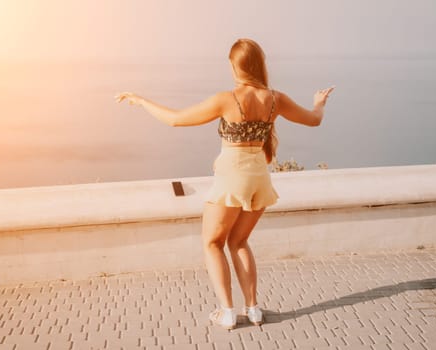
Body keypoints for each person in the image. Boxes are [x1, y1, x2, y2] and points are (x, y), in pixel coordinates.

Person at [115, 38, 334, 330]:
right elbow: (314, 120)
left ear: (235, 66)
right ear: (259, 65)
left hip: (233, 177)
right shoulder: (275, 99)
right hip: (259, 177)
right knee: (239, 241)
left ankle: (227, 312)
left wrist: (141, 101)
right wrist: (318, 103)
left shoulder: (227, 99)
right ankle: (253, 309)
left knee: (212, 243)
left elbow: (176, 120)